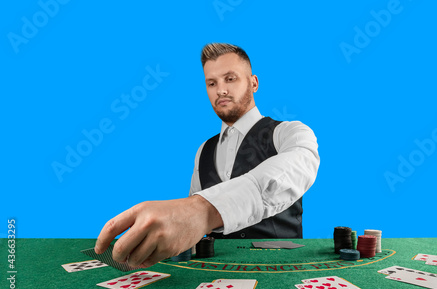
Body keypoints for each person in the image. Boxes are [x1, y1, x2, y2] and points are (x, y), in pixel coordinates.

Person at [95, 43, 320, 268]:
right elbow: (190, 219)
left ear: (253, 83)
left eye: (230, 79)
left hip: (280, 267)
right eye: (211, 83)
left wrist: (203, 212)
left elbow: (299, 164)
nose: (220, 90)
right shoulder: (204, 149)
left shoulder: (289, 132)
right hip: (218, 270)